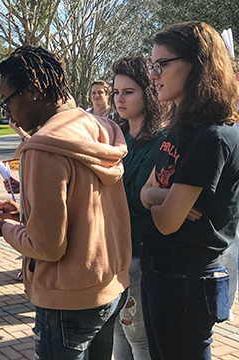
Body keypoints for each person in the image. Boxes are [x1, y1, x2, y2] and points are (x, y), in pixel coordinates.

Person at [0, 45, 131, 360]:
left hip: (67, 298)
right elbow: (82, 211)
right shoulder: (100, 128)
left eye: (7, 101)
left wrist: (2, 228)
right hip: (111, 284)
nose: (7, 113)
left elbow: (47, 247)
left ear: (32, 91)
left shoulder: (42, 147)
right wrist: (22, 213)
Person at [139, 21, 239, 360]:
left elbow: (166, 222)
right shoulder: (179, 128)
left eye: (161, 65)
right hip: (162, 271)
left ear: (197, 65)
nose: (153, 75)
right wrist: (162, 197)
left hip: (186, 280)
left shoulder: (212, 137)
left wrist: (159, 199)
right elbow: (146, 192)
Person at [110, 55, 166, 360]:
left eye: (128, 91)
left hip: (140, 252)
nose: (119, 99)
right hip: (113, 250)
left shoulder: (163, 140)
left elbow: (135, 199)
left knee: (140, 337)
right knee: (118, 330)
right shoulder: (112, 136)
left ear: (148, 91)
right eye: (116, 92)